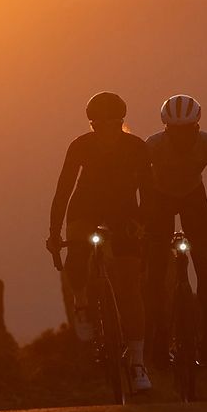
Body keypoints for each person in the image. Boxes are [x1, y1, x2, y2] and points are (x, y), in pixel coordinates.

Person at [47, 92, 154, 391]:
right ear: (92, 126)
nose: (104, 132)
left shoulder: (137, 148)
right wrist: (55, 232)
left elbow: (148, 191)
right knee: (78, 253)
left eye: (110, 125)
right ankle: (82, 303)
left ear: (121, 123)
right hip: (86, 206)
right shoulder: (80, 146)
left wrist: (142, 224)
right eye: (98, 126)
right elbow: (64, 189)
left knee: (130, 288)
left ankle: (137, 363)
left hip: (124, 212)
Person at [143, 94, 207, 368]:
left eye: (186, 131)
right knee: (157, 273)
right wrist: (141, 222)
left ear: (196, 127)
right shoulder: (153, 146)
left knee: (204, 267)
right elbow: (140, 187)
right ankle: (159, 341)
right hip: (159, 200)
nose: (181, 138)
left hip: (194, 198)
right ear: (166, 129)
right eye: (174, 132)